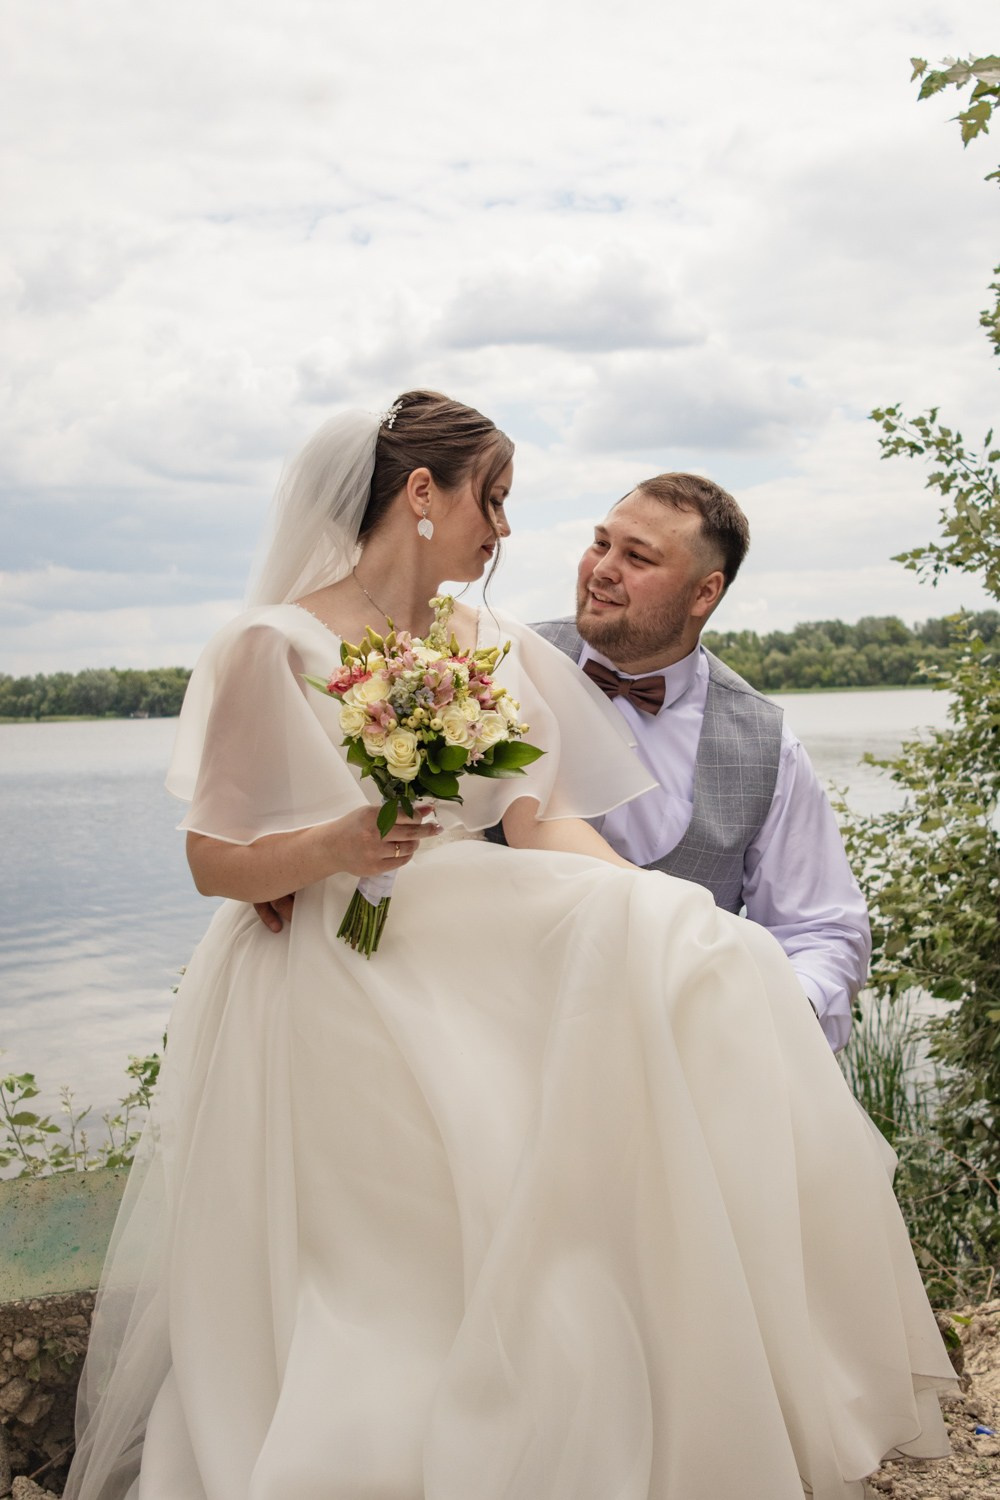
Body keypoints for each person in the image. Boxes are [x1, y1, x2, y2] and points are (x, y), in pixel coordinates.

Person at [65, 391, 955, 1500]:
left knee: (539, 1201)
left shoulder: (483, 643)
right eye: (496, 499)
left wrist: (656, 914)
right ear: (424, 495)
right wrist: (337, 842)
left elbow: (542, 821)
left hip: (462, 948)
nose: (506, 531)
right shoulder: (271, 642)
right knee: (380, 1260)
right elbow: (214, 856)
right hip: (329, 969)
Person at [532, 473, 870, 1052]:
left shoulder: (769, 746)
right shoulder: (499, 670)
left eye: (638, 556)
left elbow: (821, 930)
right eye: (600, 542)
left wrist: (764, 1022)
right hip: (497, 1048)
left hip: (675, 1065)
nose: (604, 568)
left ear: (704, 593)